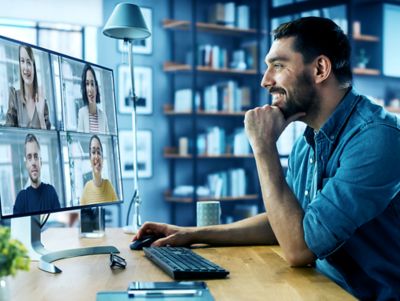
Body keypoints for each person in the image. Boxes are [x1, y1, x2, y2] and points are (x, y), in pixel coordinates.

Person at [133, 17, 400, 300]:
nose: (265, 81)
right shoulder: (306, 143)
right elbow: (288, 223)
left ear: (320, 69)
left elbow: (299, 248)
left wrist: (263, 146)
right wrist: (192, 234)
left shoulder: (377, 138)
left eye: (278, 65)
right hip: (321, 288)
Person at [6, 45, 51, 129]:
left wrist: (40, 116)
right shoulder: (14, 98)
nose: (25, 68)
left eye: (29, 62)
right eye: (22, 61)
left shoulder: (42, 100)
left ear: (34, 66)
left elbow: (47, 139)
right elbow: (9, 135)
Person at [14, 134, 60, 214]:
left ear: (40, 162)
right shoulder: (21, 199)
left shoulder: (51, 192)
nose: (33, 163)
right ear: (26, 164)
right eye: (29, 157)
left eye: (36, 156)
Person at [80, 135, 117, 205]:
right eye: (93, 152)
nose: (96, 156)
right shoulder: (86, 189)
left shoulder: (109, 186)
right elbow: (82, 215)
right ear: (90, 158)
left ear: (102, 159)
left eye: (99, 152)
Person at [77, 64, 109, 133]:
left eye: (92, 84)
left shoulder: (103, 116)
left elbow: (108, 142)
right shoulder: (81, 113)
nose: (90, 89)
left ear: (96, 87)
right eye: (87, 84)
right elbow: (79, 141)